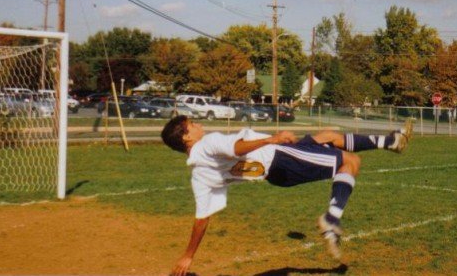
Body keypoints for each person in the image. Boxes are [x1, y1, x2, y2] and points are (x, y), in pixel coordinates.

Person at [161, 116, 414, 276]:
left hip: (277, 171)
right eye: (192, 125)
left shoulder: (198, 174)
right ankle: (332, 219)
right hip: (281, 158)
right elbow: (235, 147)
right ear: (186, 137)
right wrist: (273, 138)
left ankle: (390, 142)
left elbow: (202, 219)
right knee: (351, 162)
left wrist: (187, 256)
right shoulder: (206, 144)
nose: (198, 125)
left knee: (329, 136)